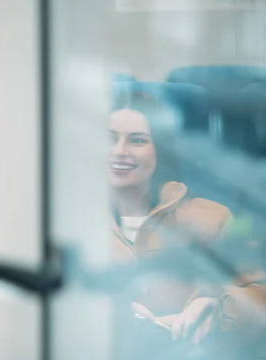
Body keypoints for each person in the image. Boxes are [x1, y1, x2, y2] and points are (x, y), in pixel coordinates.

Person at [109, 91, 265, 344]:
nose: (119, 151)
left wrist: (219, 307)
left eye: (137, 141)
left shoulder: (212, 217)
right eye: (110, 139)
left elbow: (259, 296)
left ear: (159, 149)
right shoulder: (71, 220)